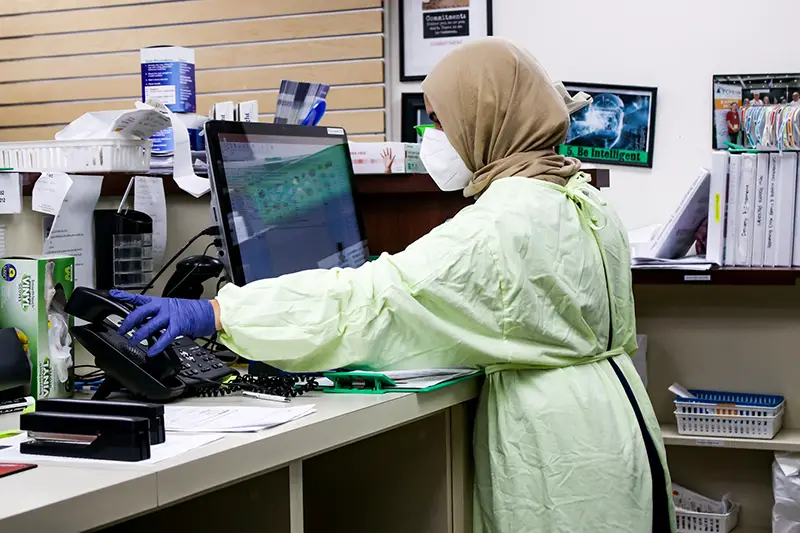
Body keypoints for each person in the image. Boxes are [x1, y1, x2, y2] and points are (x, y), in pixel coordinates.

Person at [112, 38, 675, 533]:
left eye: (441, 120)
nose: (433, 137)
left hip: (559, 452)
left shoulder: (504, 222)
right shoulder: (581, 197)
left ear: (488, 120)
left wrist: (218, 315)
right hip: (617, 429)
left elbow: (370, 303)